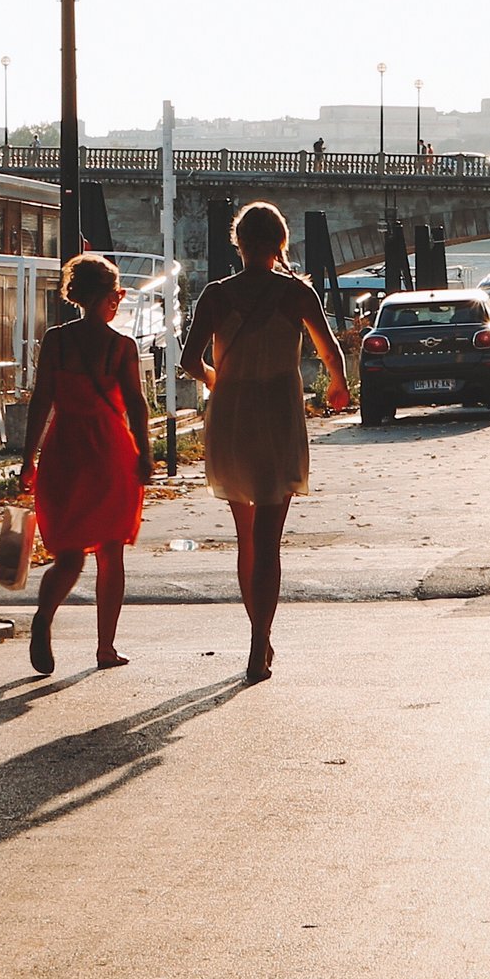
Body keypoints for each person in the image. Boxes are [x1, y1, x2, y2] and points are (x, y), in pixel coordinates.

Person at [180, 202, 350, 683]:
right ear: (281, 244)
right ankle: (259, 645)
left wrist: (220, 379)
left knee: (245, 538)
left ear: (238, 244)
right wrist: (337, 385)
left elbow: (190, 360)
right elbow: (329, 348)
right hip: (277, 411)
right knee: (269, 541)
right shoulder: (296, 293)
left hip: (232, 414)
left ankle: (258, 636)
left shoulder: (216, 295)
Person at [19, 253, 152, 677]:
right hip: (109, 451)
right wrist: (146, 453)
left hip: (64, 450)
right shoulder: (121, 347)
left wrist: (28, 457)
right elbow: (136, 404)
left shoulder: (56, 341)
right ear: (113, 295)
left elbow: (41, 400)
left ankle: (44, 615)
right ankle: (105, 647)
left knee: (70, 556)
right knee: (111, 554)